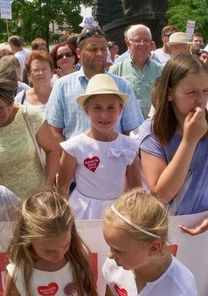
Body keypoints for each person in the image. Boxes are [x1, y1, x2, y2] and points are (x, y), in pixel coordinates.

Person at [138, 54, 208, 234]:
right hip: (163, 229)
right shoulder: (152, 131)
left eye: (205, 91)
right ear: (170, 93)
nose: (200, 99)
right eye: (191, 92)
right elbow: (161, 195)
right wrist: (189, 140)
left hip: (204, 223)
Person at [0, 62, 59, 199]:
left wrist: (48, 185)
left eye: (9, 103)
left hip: (37, 203)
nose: (5, 112)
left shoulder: (31, 116)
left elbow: (53, 149)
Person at [57, 74, 141, 220]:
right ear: (86, 110)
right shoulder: (75, 147)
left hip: (117, 211)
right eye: (97, 108)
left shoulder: (129, 146)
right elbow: (62, 189)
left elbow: (135, 190)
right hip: (83, 211)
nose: (104, 115)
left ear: (120, 109)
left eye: (111, 108)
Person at [46, 27, 144, 140]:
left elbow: (133, 131)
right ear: (78, 53)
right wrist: (68, 156)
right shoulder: (62, 86)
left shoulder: (122, 86)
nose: (99, 53)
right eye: (93, 49)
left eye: (103, 49)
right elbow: (54, 130)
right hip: (75, 157)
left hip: (114, 156)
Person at [109, 24, 163, 117]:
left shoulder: (161, 71)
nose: (142, 44)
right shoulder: (115, 70)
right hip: (127, 128)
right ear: (128, 43)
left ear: (151, 43)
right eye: (137, 40)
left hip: (154, 126)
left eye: (146, 40)